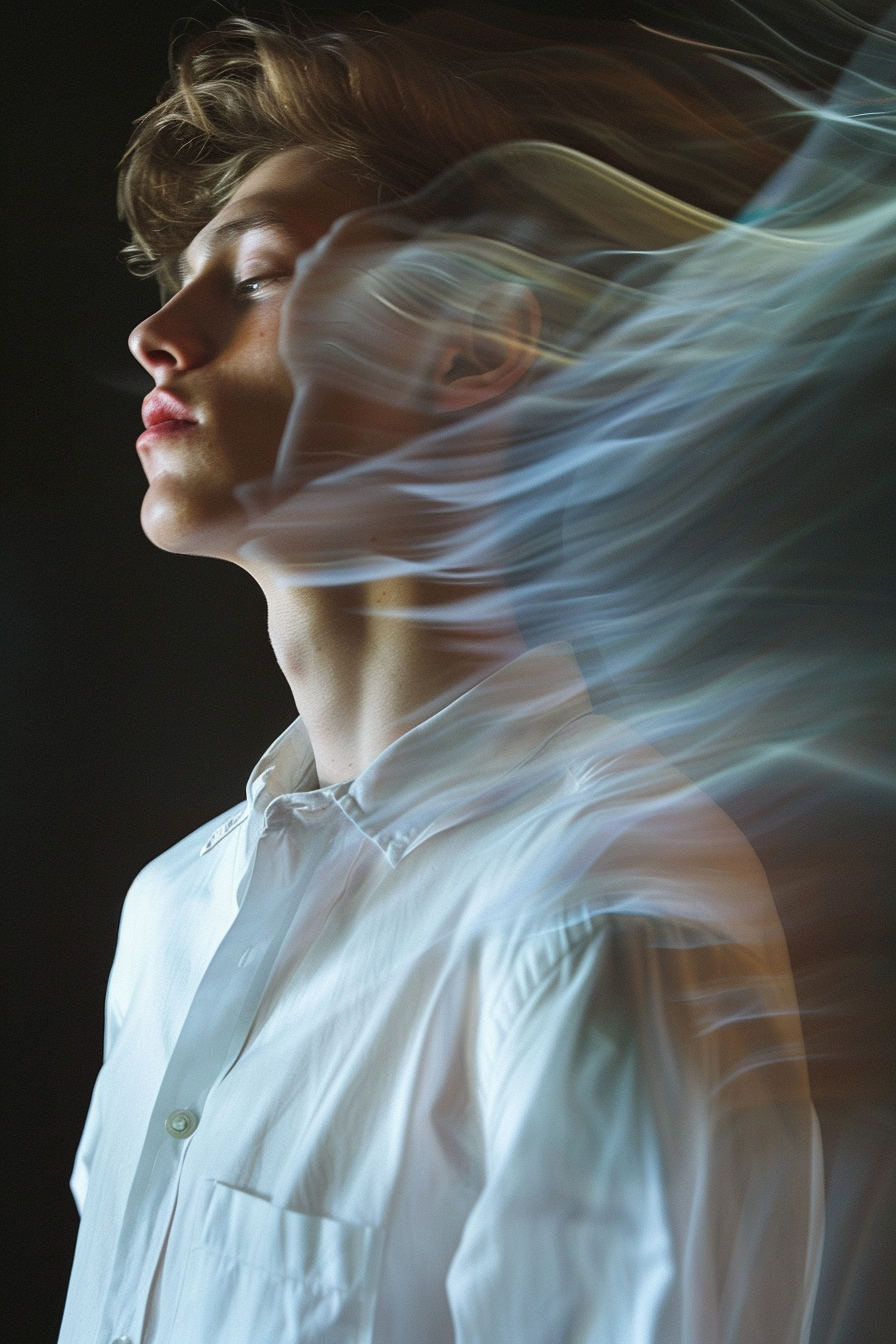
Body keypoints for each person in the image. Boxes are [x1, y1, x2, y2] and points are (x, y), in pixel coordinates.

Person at [58, 10, 830, 1343]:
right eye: (177, 280)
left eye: (250, 280)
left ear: (470, 350)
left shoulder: (602, 910)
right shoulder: (174, 911)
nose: (157, 334)